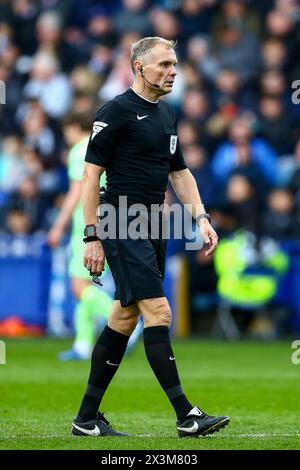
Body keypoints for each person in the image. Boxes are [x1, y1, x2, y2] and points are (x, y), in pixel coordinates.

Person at [72, 37, 230, 438]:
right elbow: (91, 176)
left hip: (153, 225)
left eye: (175, 64)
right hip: (121, 221)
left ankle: (86, 419)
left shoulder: (166, 115)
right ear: (139, 68)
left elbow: (180, 173)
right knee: (158, 313)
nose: (173, 71)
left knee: (124, 318)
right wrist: (92, 235)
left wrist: (201, 218)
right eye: (164, 64)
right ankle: (186, 415)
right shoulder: (116, 111)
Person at [48, 113, 143, 360]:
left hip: (87, 225)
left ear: (72, 127)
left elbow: (76, 191)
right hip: (112, 220)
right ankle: (82, 343)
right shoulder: (106, 145)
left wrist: (58, 225)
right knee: (88, 286)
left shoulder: (79, 151)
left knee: (80, 287)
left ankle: (128, 327)